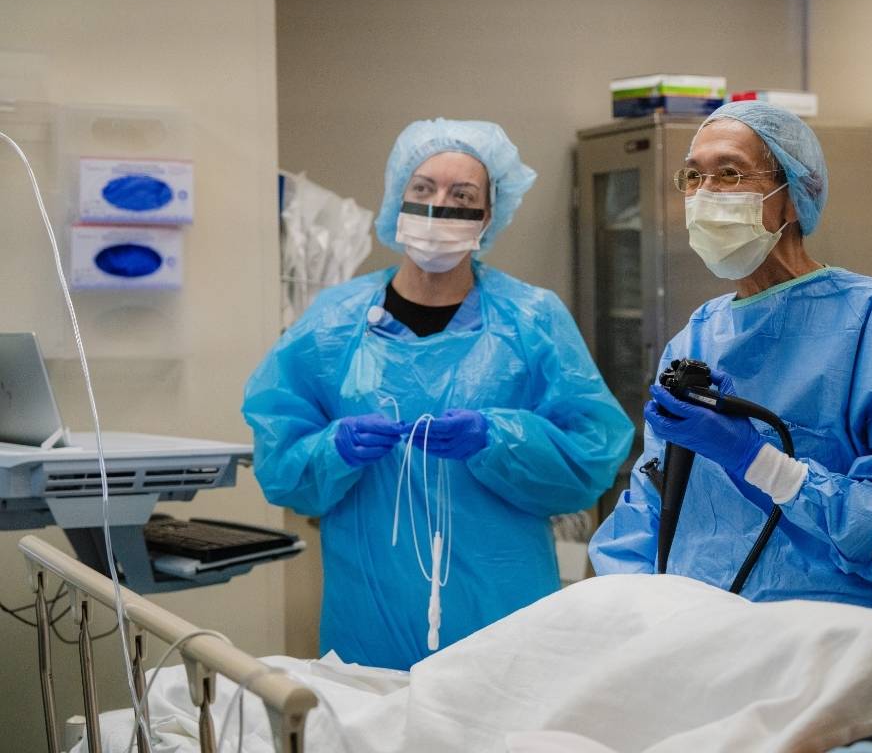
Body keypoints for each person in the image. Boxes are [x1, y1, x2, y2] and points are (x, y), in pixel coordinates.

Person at [588, 101, 872, 648]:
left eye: (730, 173)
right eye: (693, 176)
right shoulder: (695, 340)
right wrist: (632, 621)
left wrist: (758, 462)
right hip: (708, 651)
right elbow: (648, 513)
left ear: (794, 193)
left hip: (845, 659)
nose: (705, 193)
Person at [245, 118, 634, 669]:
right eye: (423, 190)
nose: (438, 207)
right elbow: (281, 463)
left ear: (487, 216)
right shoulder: (334, 324)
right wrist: (335, 447)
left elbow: (593, 455)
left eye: (462, 195)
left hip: (504, 613)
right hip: (368, 618)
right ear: (397, 199)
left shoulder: (531, 319)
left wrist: (499, 438)